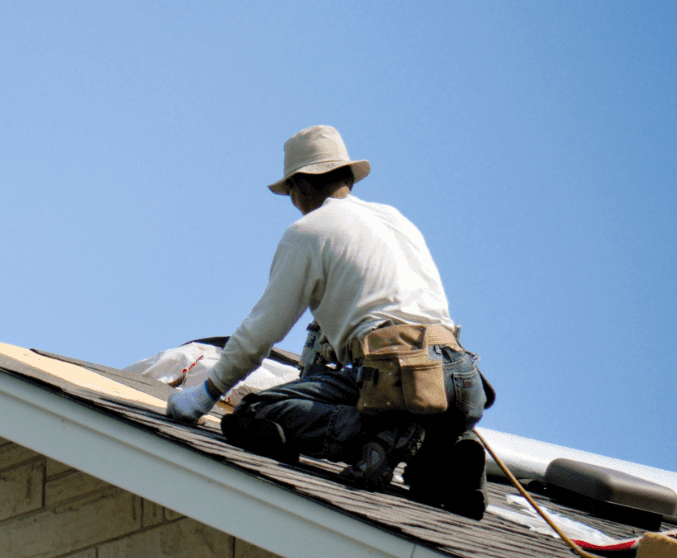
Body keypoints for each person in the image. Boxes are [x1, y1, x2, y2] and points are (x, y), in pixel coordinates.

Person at [165, 125, 489, 519]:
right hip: (459, 376)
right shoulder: (395, 219)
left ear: (300, 187)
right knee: (424, 483)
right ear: (347, 176)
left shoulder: (309, 232)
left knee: (255, 415)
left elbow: (261, 332)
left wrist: (203, 396)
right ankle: (444, 452)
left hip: (394, 375)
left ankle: (381, 436)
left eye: (291, 195)